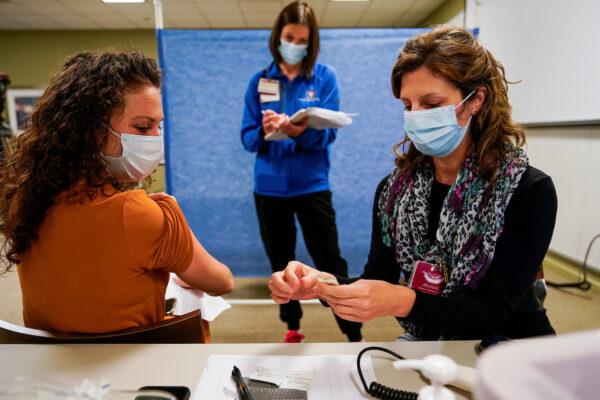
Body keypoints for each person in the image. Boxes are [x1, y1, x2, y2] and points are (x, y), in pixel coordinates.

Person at [268, 26, 557, 340]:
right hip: (430, 344)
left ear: (476, 100)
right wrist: (322, 284)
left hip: (512, 347)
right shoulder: (395, 192)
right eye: (408, 106)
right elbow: (378, 278)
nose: (416, 117)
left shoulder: (527, 191)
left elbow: (487, 313)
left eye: (431, 105)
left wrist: (401, 300)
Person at [0, 51, 234, 333]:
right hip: (133, 366)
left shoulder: (26, 197)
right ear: (91, 129)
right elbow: (222, 282)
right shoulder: (143, 214)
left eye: (159, 126)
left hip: (49, 367)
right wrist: (173, 213)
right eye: (142, 127)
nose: (155, 139)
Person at [241, 1, 362, 343]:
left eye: (301, 39)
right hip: (269, 190)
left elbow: (330, 133)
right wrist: (266, 131)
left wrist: (301, 131)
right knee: (280, 263)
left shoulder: (324, 77)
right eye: (288, 37)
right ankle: (292, 328)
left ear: (311, 42)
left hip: (312, 186)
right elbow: (247, 138)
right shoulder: (260, 81)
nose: (293, 45)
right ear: (277, 37)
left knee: (330, 261)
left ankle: (354, 334)